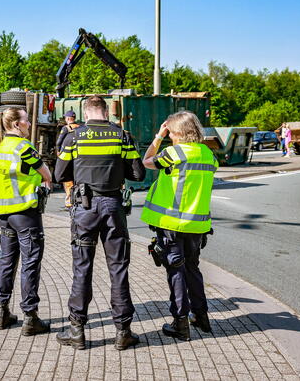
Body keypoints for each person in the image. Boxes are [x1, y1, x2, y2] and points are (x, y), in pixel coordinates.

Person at [54, 96, 146, 350]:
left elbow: (59, 174)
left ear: (85, 112)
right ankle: (123, 332)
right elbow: (138, 173)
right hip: (113, 207)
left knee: (82, 268)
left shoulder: (74, 137)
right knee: (118, 267)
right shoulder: (122, 136)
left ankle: (77, 331)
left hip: (84, 208)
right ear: (106, 112)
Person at [140, 111, 218, 341]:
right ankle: (201, 317)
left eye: (171, 132)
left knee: (176, 272)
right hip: (197, 226)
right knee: (193, 269)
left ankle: (180, 323)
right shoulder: (208, 154)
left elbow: (146, 162)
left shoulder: (173, 153)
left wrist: (157, 137)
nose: (170, 136)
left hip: (172, 225)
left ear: (179, 133)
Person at [0, 107, 53, 336]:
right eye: (25, 121)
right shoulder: (23, 147)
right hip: (25, 214)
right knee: (30, 263)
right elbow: (47, 175)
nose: (28, 124)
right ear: (16, 124)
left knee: (7, 262)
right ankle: (30, 317)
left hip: (4, 216)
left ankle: (2, 312)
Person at [56, 110, 80, 208]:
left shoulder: (66, 128)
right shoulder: (80, 127)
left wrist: (58, 151)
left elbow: (59, 141)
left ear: (68, 119)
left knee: (67, 179)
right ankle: (78, 199)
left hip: (67, 157)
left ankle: (69, 201)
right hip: (78, 157)